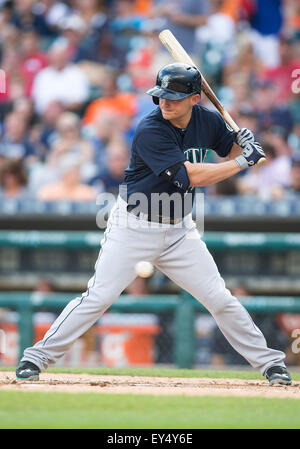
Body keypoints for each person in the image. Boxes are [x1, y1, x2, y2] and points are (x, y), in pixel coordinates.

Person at [16, 62, 292, 386]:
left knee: (220, 299)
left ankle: (272, 364)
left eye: (173, 97)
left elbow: (226, 147)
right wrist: (241, 161)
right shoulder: (150, 129)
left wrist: (241, 143)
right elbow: (191, 175)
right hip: (133, 226)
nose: (164, 102)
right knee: (99, 297)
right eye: (161, 96)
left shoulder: (209, 119)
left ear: (194, 98)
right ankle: (35, 358)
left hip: (178, 230)